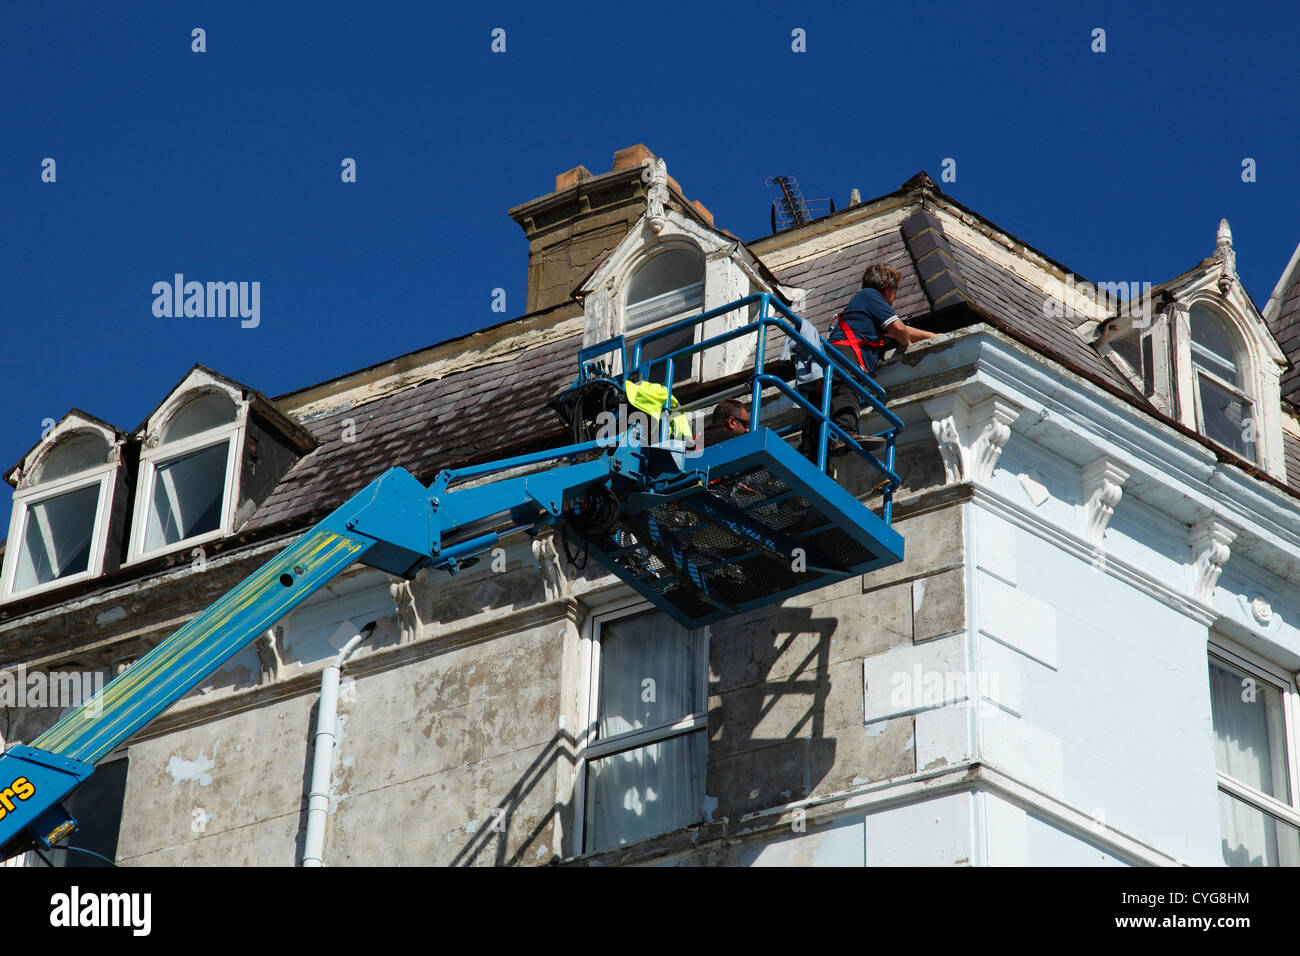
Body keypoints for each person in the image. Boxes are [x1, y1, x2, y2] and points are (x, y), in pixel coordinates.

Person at [797, 263, 936, 460]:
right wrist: (905, 341)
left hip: (834, 360)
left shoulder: (864, 304)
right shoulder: (871, 296)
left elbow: (902, 329)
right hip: (845, 358)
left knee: (818, 419)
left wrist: (932, 335)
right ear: (888, 289)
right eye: (895, 292)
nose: (893, 300)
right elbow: (900, 330)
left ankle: (807, 459)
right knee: (847, 390)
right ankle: (846, 434)